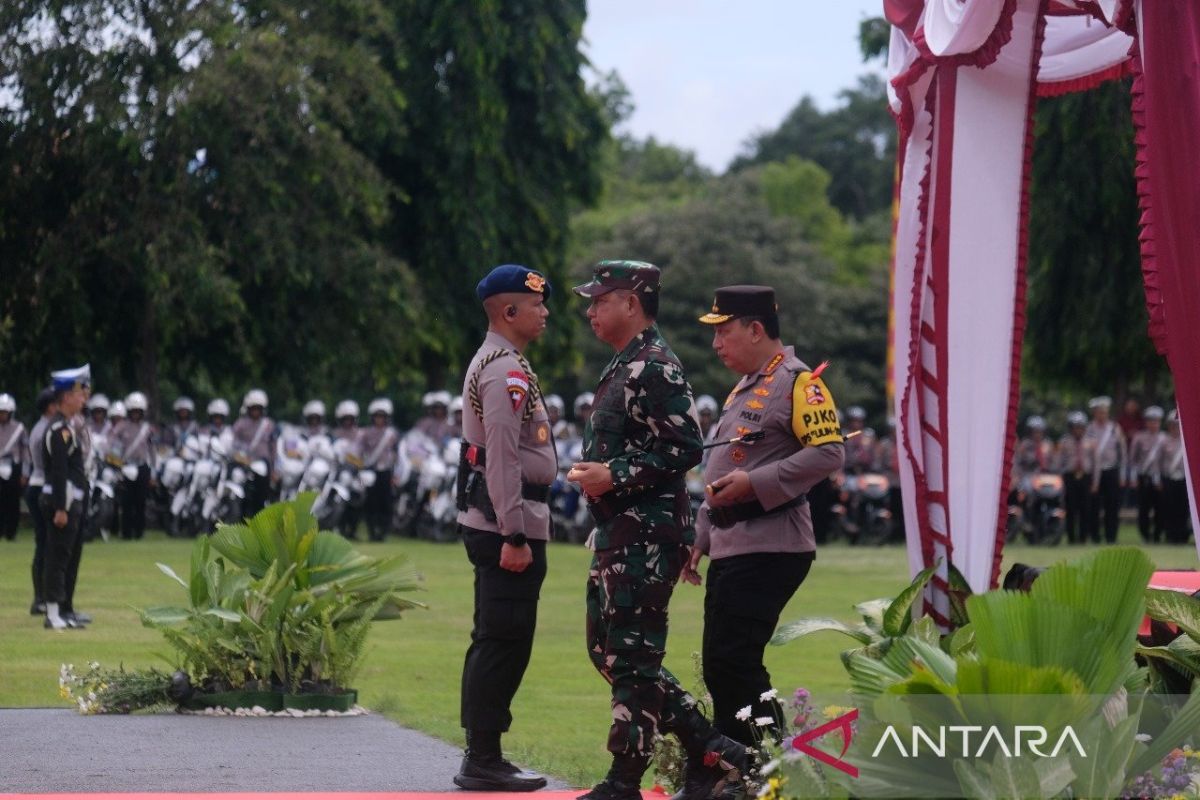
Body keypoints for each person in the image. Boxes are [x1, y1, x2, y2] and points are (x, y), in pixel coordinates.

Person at [568, 260, 744, 800]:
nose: (591, 309)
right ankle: (713, 749)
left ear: (632, 302)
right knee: (610, 651)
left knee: (632, 657)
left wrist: (612, 474)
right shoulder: (624, 364)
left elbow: (685, 446)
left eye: (601, 299)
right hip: (621, 531)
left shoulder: (655, 366)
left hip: (647, 534)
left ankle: (624, 780)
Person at [687, 285, 844, 792]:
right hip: (735, 543)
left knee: (733, 660)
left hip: (773, 544)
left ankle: (771, 767)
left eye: (724, 331)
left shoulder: (799, 384)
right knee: (722, 664)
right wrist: (702, 535)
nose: (716, 344)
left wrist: (755, 484)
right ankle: (740, 769)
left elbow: (829, 453)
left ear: (756, 330)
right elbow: (726, 467)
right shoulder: (746, 386)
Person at [453, 264, 557, 792]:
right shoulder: (503, 369)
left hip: (505, 522)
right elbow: (501, 457)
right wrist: (513, 534)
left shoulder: (507, 363)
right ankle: (484, 758)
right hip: (505, 528)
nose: (545, 312)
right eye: (536, 304)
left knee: (500, 635)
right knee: (503, 638)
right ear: (508, 311)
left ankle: (483, 753)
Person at [41, 365, 91, 630]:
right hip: (63, 501)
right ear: (65, 397)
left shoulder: (67, 428)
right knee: (57, 558)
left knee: (66, 557)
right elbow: (59, 472)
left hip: (72, 499)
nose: (82, 398)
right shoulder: (59, 429)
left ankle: (60, 610)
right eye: (78, 393)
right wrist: (61, 507)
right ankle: (52, 613)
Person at [24, 387, 57, 614]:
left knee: (44, 543)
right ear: (50, 407)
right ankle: (40, 598)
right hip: (40, 486)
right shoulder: (44, 429)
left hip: (39, 485)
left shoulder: (42, 427)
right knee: (44, 543)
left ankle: (42, 597)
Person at [112, 391, 156, 539]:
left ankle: (139, 533)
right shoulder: (121, 427)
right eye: (133, 411)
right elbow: (112, 449)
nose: (136, 414)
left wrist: (153, 474)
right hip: (126, 466)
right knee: (126, 502)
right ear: (129, 411)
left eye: (139, 411)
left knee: (141, 502)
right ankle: (126, 533)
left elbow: (152, 451)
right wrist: (119, 467)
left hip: (143, 467)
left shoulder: (148, 429)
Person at [1084, 396, 1127, 544]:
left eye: (1104, 412)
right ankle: (1095, 536)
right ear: (1094, 413)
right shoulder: (1089, 429)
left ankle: (1111, 536)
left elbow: (1122, 453)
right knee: (1093, 505)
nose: (1102, 414)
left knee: (1112, 506)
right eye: (1099, 412)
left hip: (1111, 471)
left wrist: (1122, 474)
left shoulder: (1115, 429)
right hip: (1094, 472)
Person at [231, 389, 276, 517]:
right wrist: (239, 456)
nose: (255, 411)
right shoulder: (240, 424)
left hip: (263, 464)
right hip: (243, 462)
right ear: (248, 408)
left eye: (258, 408)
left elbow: (273, 448)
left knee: (262, 494)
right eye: (253, 408)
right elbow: (233, 442)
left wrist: (274, 469)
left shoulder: (269, 425)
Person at [362, 398, 399, 541]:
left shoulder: (392, 434)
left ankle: (383, 532)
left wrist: (396, 474)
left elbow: (397, 455)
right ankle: (372, 532)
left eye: (382, 416)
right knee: (371, 502)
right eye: (377, 416)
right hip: (371, 472)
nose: (379, 419)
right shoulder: (366, 433)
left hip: (386, 472)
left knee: (386, 502)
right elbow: (361, 451)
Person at [1128, 406, 1166, 543]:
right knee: (1143, 508)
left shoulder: (1164, 438)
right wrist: (1133, 478)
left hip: (1160, 479)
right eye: (1151, 421)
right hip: (1143, 477)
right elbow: (1133, 460)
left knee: (1160, 508)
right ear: (1146, 422)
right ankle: (1145, 534)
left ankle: (1157, 534)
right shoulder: (1139, 437)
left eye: (1156, 421)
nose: (1153, 424)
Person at [1056, 411, 1092, 544]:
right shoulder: (1064, 442)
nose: (1078, 430)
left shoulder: (1090, 442)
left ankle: (1083, 537)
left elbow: (1095, 462)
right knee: (1070, 508)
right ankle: (1071, 537)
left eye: (1081, 427)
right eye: (1075, 427)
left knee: (1085, 508)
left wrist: (1095, 481)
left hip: (1085, 476)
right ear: (1070, 428)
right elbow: (1059, 461)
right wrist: (1060, 479)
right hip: (1069, 476)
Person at [1157, 410, 1191, 544]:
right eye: (1172, 425)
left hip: (1184, 480)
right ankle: (1170, 535)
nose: (1175, 428)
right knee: (1169, 508)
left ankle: (1183, 536)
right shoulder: (1164, 442)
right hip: (1169, 479)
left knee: (1183, 508)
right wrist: (1158, 479)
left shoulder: (1187, 441)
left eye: (1177, 425)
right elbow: (1158, 462)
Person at [332, 400, 364, 538]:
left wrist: (355, 462)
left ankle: (352, 530)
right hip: (336, 473)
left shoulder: (361, 435)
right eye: (345, 419)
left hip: (355, 473)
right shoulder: (334, 434)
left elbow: (364, 457)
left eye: (350, 419)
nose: (348, 422)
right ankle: (338, 526)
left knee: (357, 497)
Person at [0, 393, 28, 541]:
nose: (2, 415)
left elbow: (25, 451)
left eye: (4, 412)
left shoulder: (19, 428)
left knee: (13, 501)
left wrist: (25, 472)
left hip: (13, 466)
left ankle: (11, 532)